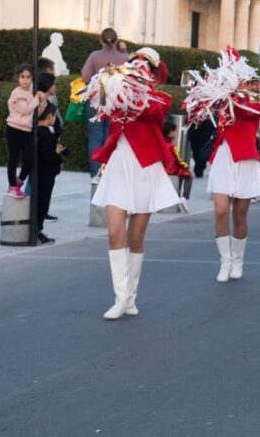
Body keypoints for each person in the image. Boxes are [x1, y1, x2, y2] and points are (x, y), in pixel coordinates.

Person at [89, 48, 180, 319]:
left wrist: (135, 91)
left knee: (135, 237)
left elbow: (151, 111)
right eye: (134, 63)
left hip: (145, 167)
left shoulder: (159, 99)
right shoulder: (118, 89)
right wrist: (108, 84)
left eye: (144, 66)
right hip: (119, 165)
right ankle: (120, 298)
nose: (138, 68)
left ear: (152, 73)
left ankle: (130, 296)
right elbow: (102, 104)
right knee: (114, 232)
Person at [195, 51, 260, 282]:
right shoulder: (220, 99)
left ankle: (238, 260)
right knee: (220, 210)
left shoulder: (253, 102)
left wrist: (233, 96)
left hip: (245, 158)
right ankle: (225, 261)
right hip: (223, 157)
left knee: (239, 214)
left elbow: (253, 114)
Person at [81, 28, 129, 178]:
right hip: (116, 100)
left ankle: (96, 174)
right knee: (112, 137)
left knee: (95, 137)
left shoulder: (94, 56)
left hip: (97, 99)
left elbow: (85, 76)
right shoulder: (125, 58)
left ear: (100, 40)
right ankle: (109, 173)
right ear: (117, 40)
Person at [5, 64, 46, 198]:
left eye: (28, 77)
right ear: (18, 78)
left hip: (27, 131)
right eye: (22, 77)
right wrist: (36, 99)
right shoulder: (17, 92)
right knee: (14, 158)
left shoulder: (31, 93)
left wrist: (42, 101)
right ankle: (12, 186)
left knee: (29, 160)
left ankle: (18, 182)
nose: (25, 80)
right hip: (14, 129)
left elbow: (35, 113)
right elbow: (25, 109)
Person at [34, 103, 64, 245]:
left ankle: (37, 230)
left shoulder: (39, 131)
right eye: (54, 116)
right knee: (42, 203)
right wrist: (58, 155)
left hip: (42, 172)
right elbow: (48, 155)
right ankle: (37, 231)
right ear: (49, 117)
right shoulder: (45, 133)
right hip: (46, 172)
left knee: (41, 202)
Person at [163, 120, 193, 213]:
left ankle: (178, 199)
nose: (176, 133)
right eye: (175, 131)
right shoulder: (172, 145)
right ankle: (184, 197)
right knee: (189, 175)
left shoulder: (162, 143)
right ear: (170, 132)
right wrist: (186, 165)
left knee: (180, 176)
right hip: (171, 169)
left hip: (164, 168)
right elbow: (178, 159)